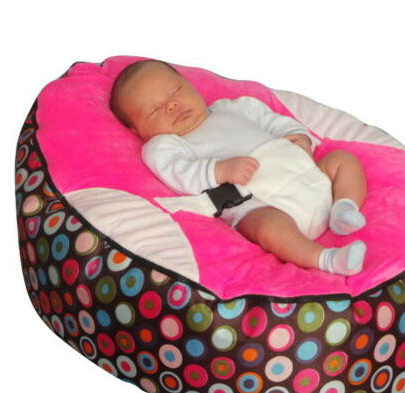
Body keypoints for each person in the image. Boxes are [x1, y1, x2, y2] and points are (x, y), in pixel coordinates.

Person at [110, 59, 368, 275]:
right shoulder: (165, 144)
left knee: (343, 160)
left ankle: (344, 207)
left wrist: (300, 137)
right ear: (136, 129)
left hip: (307, 175)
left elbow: (274, 121)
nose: (171, 105)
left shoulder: (234, 107)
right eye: (155, 110)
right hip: (263, 202)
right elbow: (178, 172)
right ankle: (327, 259)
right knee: (266, 228)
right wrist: (218, 170)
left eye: (176, 90)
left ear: (190, 85)